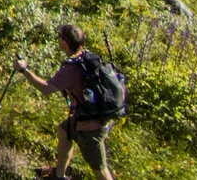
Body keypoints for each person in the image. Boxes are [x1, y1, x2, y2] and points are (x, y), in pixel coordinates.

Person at [12, 22, 121, 179]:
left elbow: (46, 88)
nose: (58, 39)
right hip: (86, 119)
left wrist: (24, 70)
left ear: (65, 42)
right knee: (64, 131)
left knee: (101, 171)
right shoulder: (87, 57)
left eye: (59, 37)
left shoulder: (71, 68)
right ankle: (59, 175)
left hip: (90, 128)